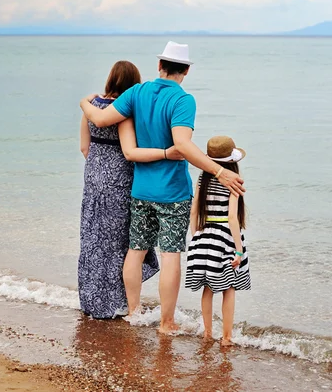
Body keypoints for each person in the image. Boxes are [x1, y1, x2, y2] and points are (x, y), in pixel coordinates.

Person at [79, 41, 245, 333]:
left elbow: (101, 118)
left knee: (136, 249)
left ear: (159, 65)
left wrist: (84, 103)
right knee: (170, 255)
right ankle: (167, 323)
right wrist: (219, 170)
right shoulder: (183, 100)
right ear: (187, 70)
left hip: (140, 188)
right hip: (172, 191)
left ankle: (133, 311)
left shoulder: (136, 92)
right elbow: (182, 144)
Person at [79, 60, 184, 319]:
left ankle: (91, 301)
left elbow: (84, 147)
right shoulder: (124, 111)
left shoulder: (92, 107)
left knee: (93, 240)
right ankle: (117, 304)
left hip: (93, 179)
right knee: (120, 243)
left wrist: (98, 171)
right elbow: (130, 152)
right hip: (120, 180)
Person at [185, 136, 251, 346]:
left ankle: (207, 333)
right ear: (233, 162)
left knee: (208, 287)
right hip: (225, 238)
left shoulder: (203, 180)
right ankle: (227, 337)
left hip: (205, 235)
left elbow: (194, 211)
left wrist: (195, 236)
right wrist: (238, 250)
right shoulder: (234, 181)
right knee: (228, 288)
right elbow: (232, 217)